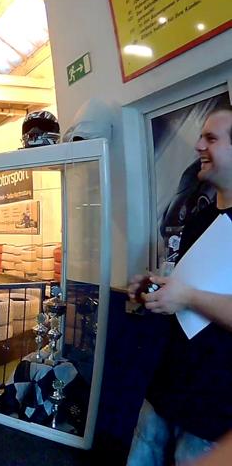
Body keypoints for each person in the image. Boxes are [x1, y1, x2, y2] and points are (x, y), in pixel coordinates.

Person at [126, 106, 232, 465]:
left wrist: (186, 296)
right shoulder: (199, 218)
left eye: (211, 138)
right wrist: (155, 288)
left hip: (215, 407)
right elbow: (186, 285)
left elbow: (192, 295)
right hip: (167, 386)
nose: (199, 146)